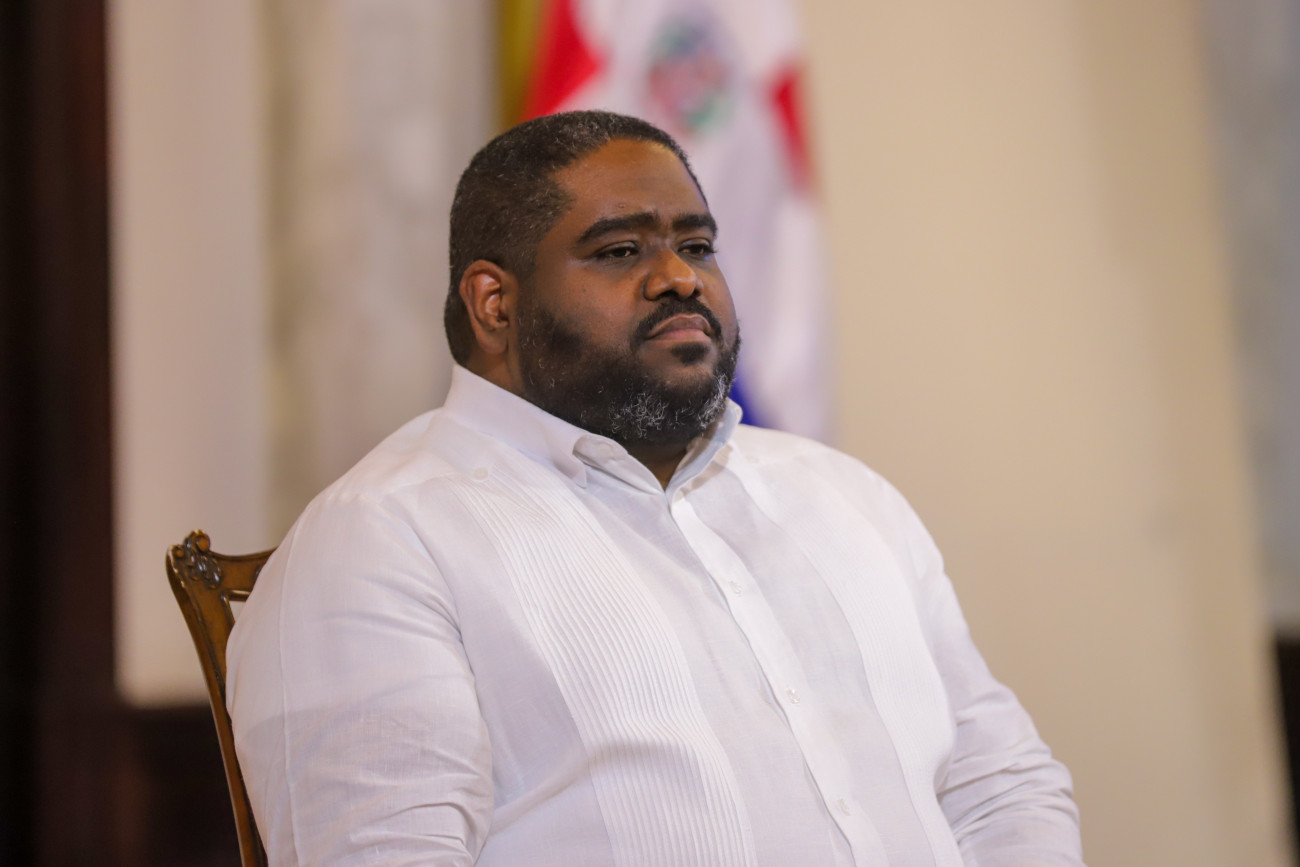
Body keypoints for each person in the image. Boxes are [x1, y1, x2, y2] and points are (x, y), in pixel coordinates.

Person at [226, 110, 1084, 866]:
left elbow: (999, 785)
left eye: (697, 246)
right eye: (620, 250)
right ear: (494, 304)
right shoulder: (380, 540)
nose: (680, 277)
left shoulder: (842, 496)